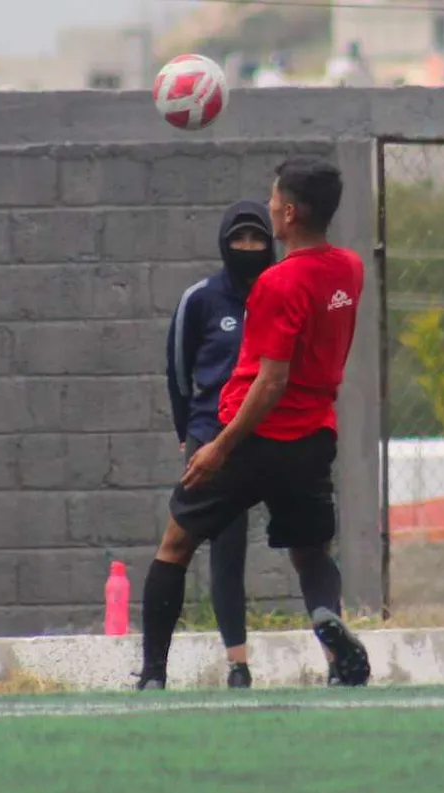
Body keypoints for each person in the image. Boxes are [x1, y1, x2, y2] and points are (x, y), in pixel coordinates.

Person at [137, 156, 370, 691]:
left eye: (272, 200)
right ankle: (327, 628)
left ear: (288, 213)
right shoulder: (350, 270)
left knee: (175, 544)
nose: (268, 207)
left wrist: (220, 447)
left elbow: (270, 382)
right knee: (310, 551)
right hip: (314, 440)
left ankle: (152, 674)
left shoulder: (276, 284)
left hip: (252, 441)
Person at [166, 200, 275, 689]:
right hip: (214, 440)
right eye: (240, 240)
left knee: (309, 541)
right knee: (223, 550)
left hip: (280, 437)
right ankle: (238, 663)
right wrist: (187, 435)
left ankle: (335, 649)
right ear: (224, 243)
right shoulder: (202, 299)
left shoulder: (283, 293)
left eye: (257, 240)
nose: (249, 248)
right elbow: (178, 371)